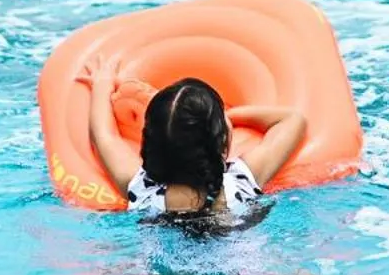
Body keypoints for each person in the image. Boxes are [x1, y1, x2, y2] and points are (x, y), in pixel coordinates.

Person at [79, 54, 306, 220]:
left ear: (149, 146)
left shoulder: (142, 191)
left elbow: (103, 136)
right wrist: (233, 116)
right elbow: (292, 120)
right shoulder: (240, 181)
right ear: (223, 141)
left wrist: (102, 84)